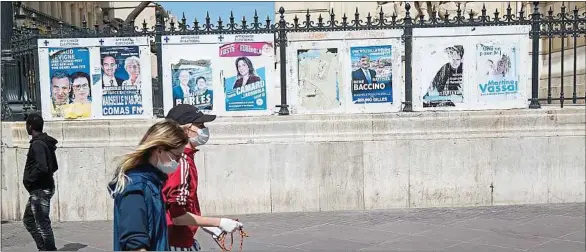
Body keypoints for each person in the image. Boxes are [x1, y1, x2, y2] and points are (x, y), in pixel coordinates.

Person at [163, 104, 243, 251]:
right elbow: (177, 216)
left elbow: (182, 206)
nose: (204, 129)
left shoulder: (182, 159)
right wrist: (218, 222)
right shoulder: (181, 162)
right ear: (186, 130)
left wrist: (204, 224)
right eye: (199, 125)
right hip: (175, 242)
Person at [108, 119, 188, 251]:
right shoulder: (136, 186)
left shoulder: (152, 182)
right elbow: (135, 243)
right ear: (160, 150)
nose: (179, 162)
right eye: (177, 156)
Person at [22, 113, 59, 251]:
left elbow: (42, 167)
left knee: (42, 224)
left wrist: (29, 180)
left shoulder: (38, 144)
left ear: (30, 126)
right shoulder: (45, 142)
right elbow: (54, 166)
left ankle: (49, 250)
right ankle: (43, 248)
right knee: (29, 220)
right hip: (40, 189)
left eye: (27, 124)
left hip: (40, 190)